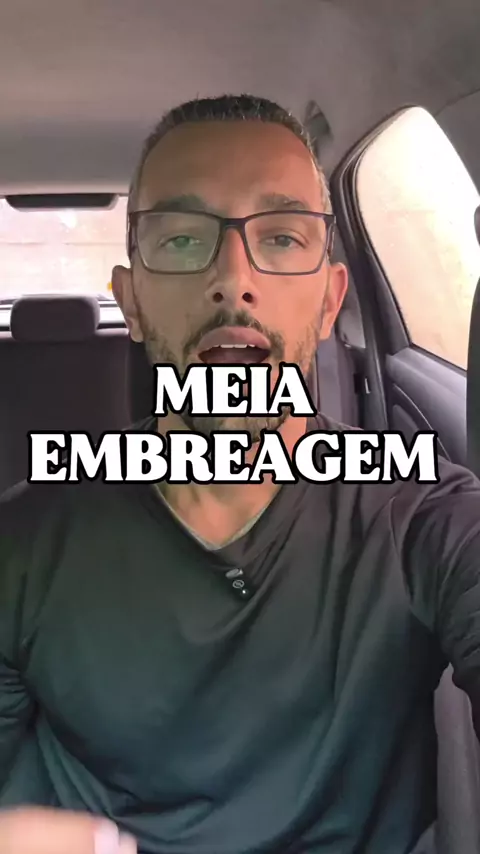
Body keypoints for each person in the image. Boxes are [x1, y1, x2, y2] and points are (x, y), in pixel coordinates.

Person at [0, 93, 479, 854]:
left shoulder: (426, 520)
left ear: (330, 300)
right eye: (182, 239)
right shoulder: (21, 544)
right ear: (131, 300)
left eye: (282, 237)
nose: (233, 278)